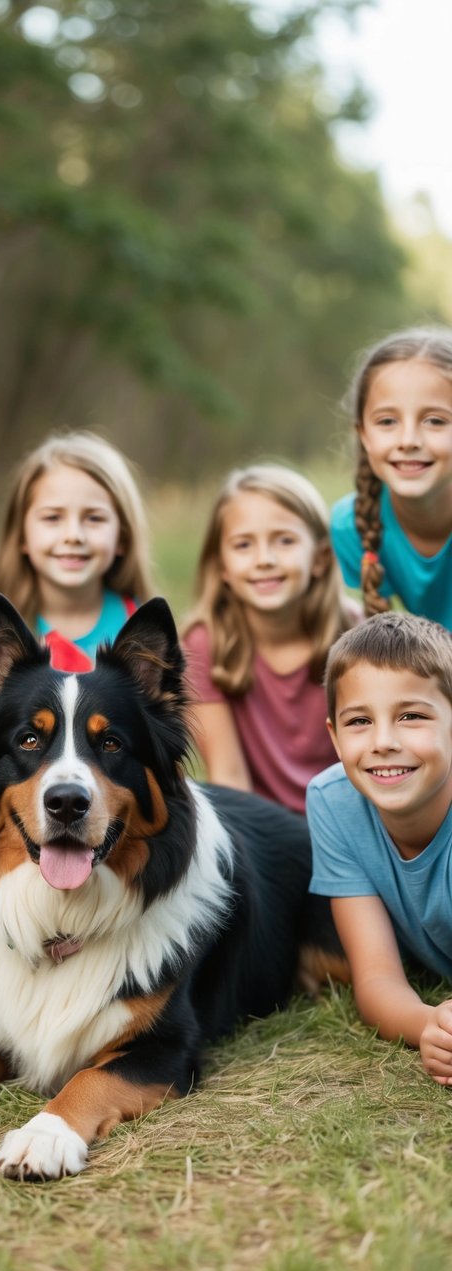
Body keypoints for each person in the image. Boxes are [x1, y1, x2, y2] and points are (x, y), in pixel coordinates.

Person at [308, 612, 452, 1087]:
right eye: (360, 721)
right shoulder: (332, 803)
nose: (384, 742)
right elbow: (375, 979)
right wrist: (427, 1025)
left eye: (411, 716)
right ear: (333, 736)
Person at [182, 464, 358, 814]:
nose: (265, 559)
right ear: (222, 566)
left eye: (285, 540)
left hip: (348, 825)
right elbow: (229, 781)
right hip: (263, 837)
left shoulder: (354, 631)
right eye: (244, 544)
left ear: (321, 558)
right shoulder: (205, 644)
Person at [0, 430, 154, 671]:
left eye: (94, 518)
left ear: (123, 536)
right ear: (21, 535)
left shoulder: (145, 631)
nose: (73, 535)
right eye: (53, 517)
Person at [331, 326, 452, 627]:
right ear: (363, 434)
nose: (408, 440)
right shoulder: (351, 526)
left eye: (435, 421)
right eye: (387, 421)